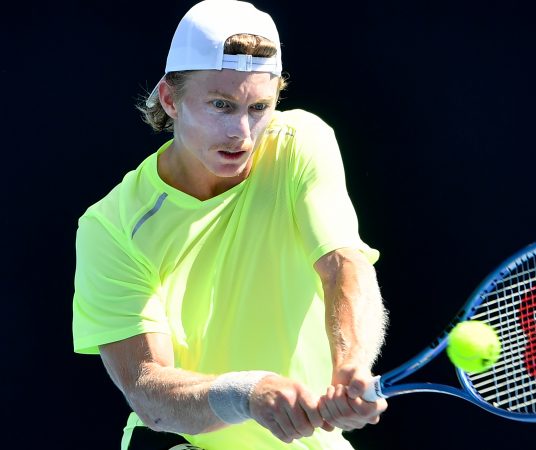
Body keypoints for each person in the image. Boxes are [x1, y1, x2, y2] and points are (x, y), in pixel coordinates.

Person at [71, 1, 388, 448]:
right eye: (221, 105)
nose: (241, 132)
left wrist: (352, 365)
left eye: (259, 107)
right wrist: (247, 393)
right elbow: (149, 393)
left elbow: (343, 265)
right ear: (170, 99)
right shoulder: (111, 226)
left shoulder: (302, 143)